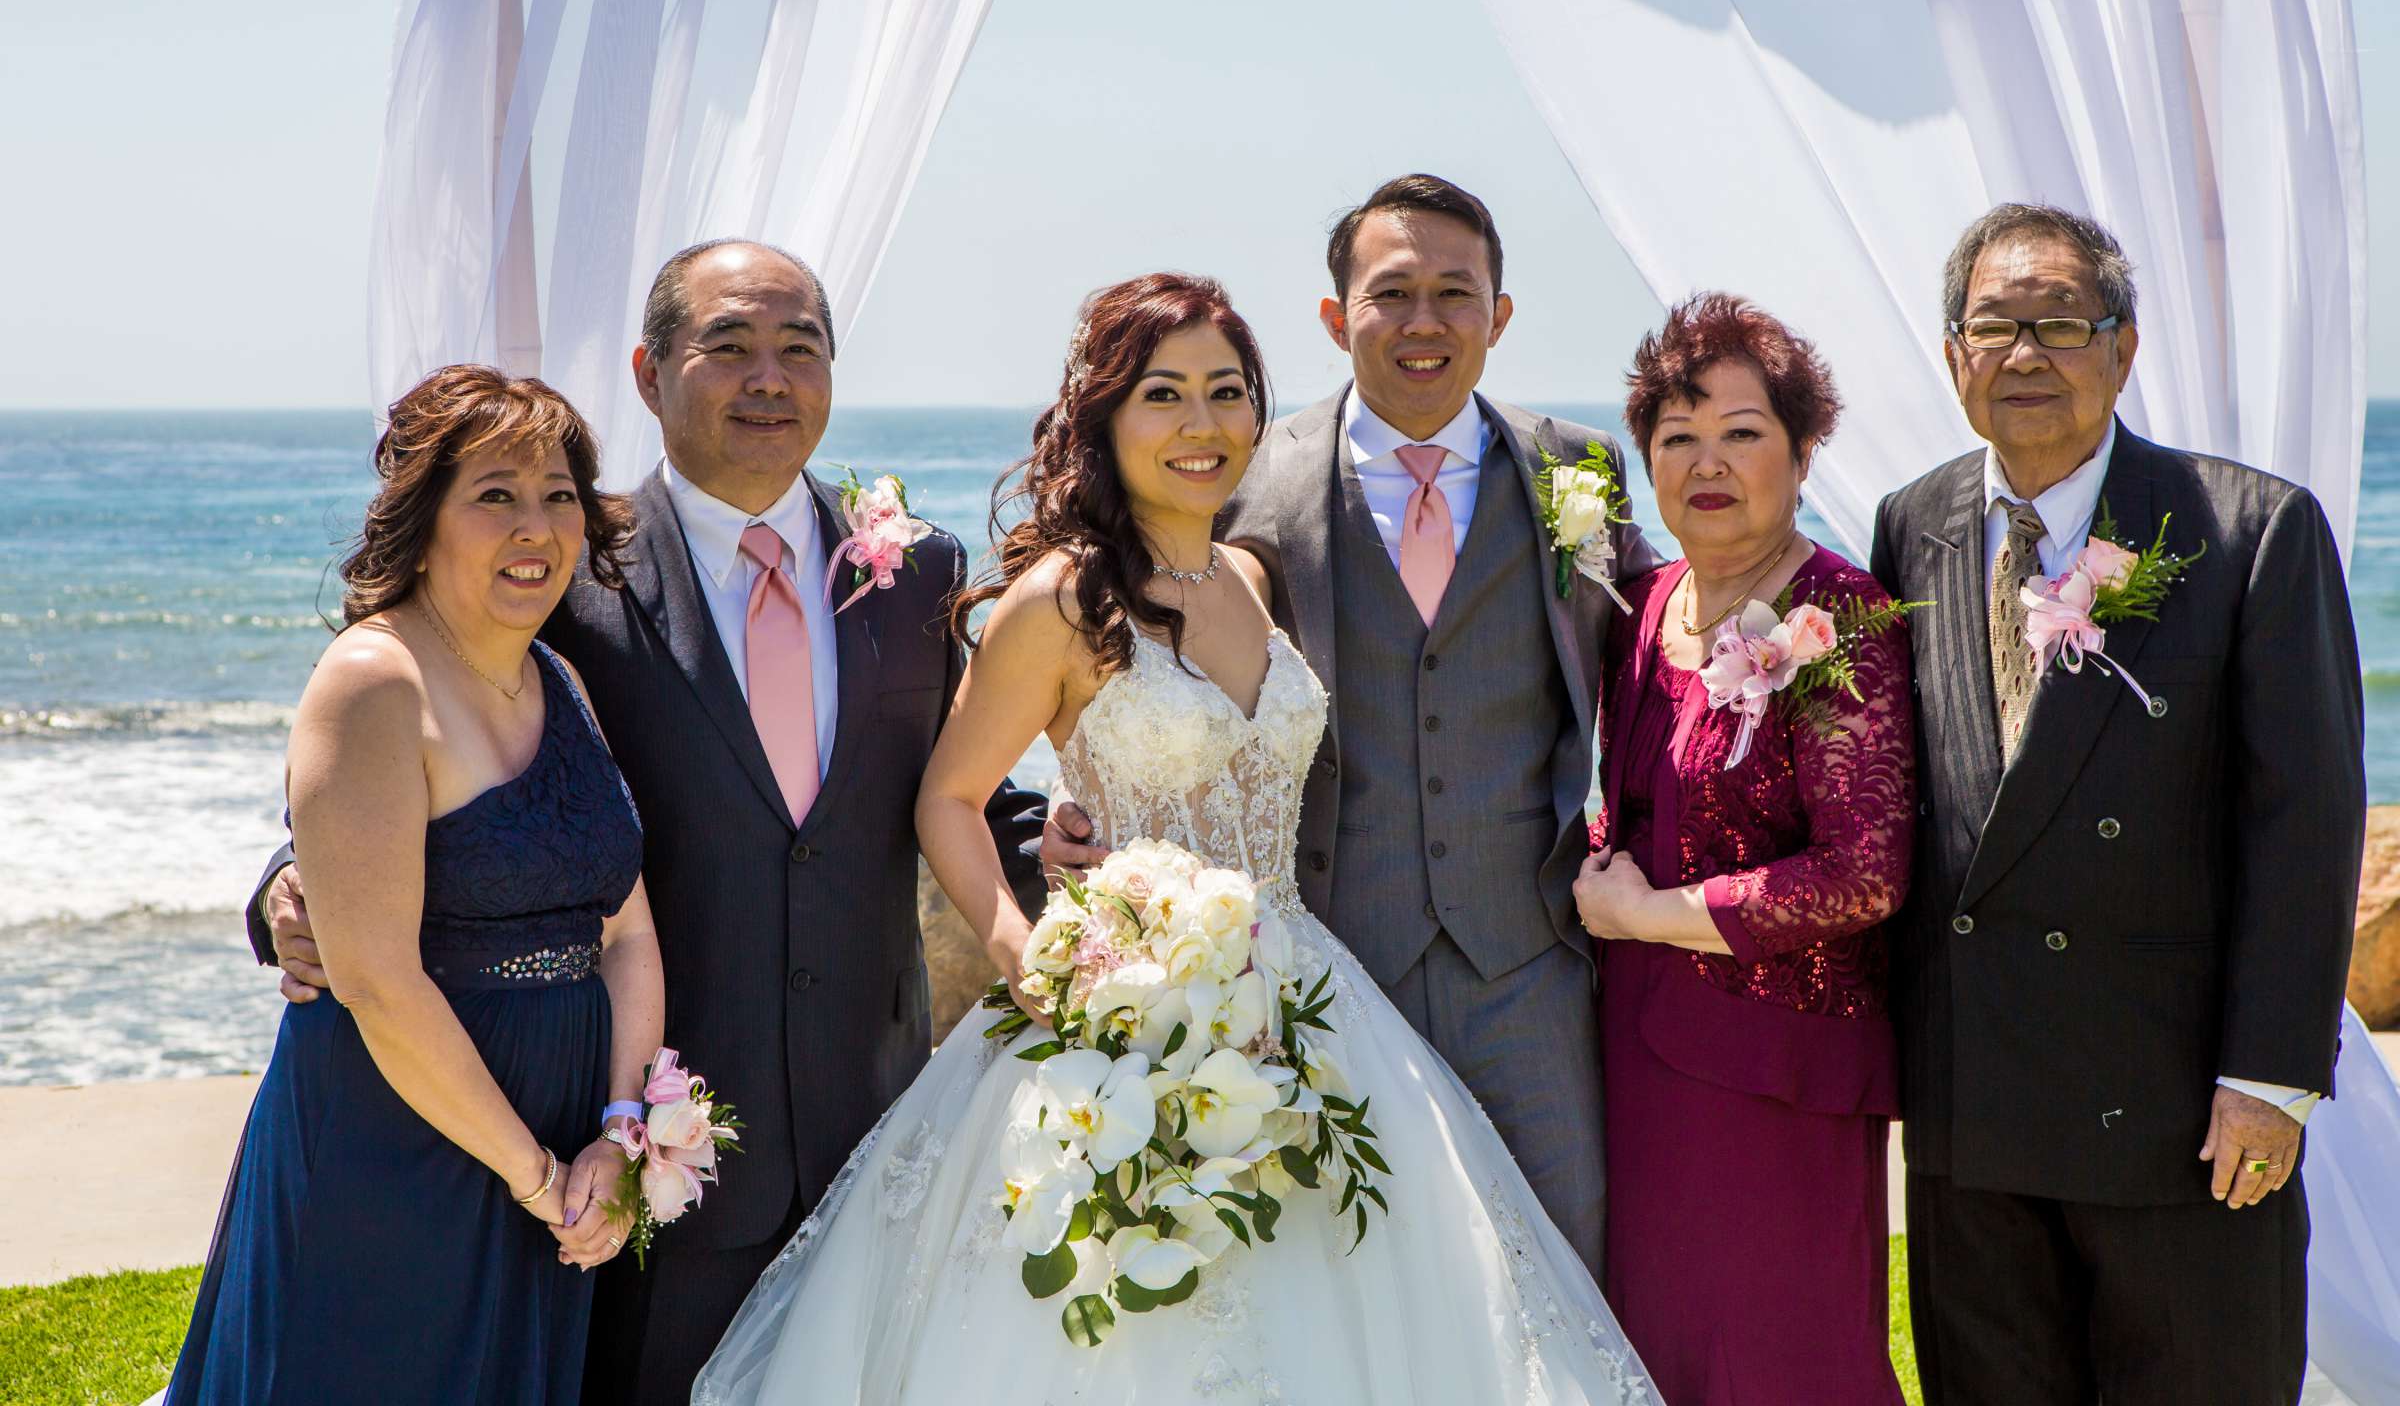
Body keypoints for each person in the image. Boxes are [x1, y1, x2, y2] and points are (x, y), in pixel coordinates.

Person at [693, 272, 1661, 1403]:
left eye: (1227, 392)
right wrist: (1030, 956)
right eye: (1163, 394)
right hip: (1116, 1020)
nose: (1201, 426)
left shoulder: (1255, 574)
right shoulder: (1062, 598)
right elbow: (949, 798)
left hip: (1306, 1003)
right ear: (1105, 416)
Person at [248, 242, 1050, 1405]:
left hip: (870, 1111)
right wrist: (287, 883)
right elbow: (413, 750)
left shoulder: (917, 570)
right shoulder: (566, 564)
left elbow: (954, 774)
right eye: (728, 346)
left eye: (799, 348)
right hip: (651, 1130)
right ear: (650, 370)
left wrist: (1057, 846)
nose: (767, 377)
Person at [1050, 175, 1660, 1274]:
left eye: (1454, 292)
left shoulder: (1581, 469)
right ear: (1336, 318)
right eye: (1391, 293)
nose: (1423, 322)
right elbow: (1128, 666)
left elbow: (1669, 651)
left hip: (1528, 969)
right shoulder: (1245, 477)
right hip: (1328, 964)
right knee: (1353, 1280)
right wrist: (1064, 807)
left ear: (1500, 315)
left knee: (1561, 1274)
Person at [1869, 203, 2364, 1405]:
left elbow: (2304, 823)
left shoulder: (2250, 530)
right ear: (1952, 356)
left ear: (2124, 348)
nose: (2025, 353)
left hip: (2180, 1118)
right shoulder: (1911, 524)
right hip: (1972, 1118)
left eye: (2061, 322)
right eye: (1994, 324)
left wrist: (2270, 1078)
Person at [166, 367, 658, 1403]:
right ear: (422, 518)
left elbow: (625, 933)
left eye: (559, 495)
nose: (537, 526)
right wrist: (535, 1175)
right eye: (496, 495)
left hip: (559, 1148)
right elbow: (379, 977)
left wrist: (616, 1138)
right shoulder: (371, 680)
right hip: (395, 1144)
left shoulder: (559, 681)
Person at [1573, 295, 1913, 1404]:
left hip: (1774, 1075)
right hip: (1630, 1057)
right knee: (1652, 1353)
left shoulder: (1842, 619)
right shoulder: (1643, 599)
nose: (1706, 463)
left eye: (1742, 432)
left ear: (1804, 448)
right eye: (1678, 439)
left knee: (1780, 1358)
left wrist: (1650, 916)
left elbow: (1866, 871)